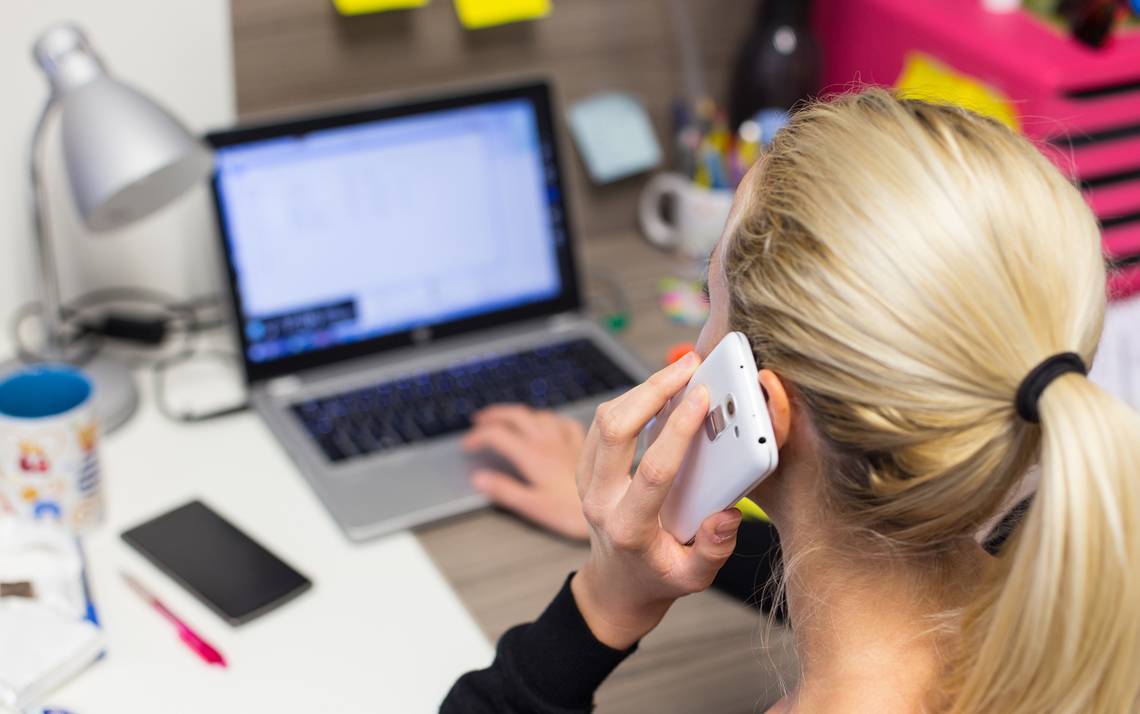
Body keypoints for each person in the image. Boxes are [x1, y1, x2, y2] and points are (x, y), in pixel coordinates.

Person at [441, 89, 1140, 713]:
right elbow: (864, 564)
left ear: (765, 411)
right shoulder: (1080, 572)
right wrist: (663, 543)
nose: (697, 341)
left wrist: (603, 600)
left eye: (713, 297)